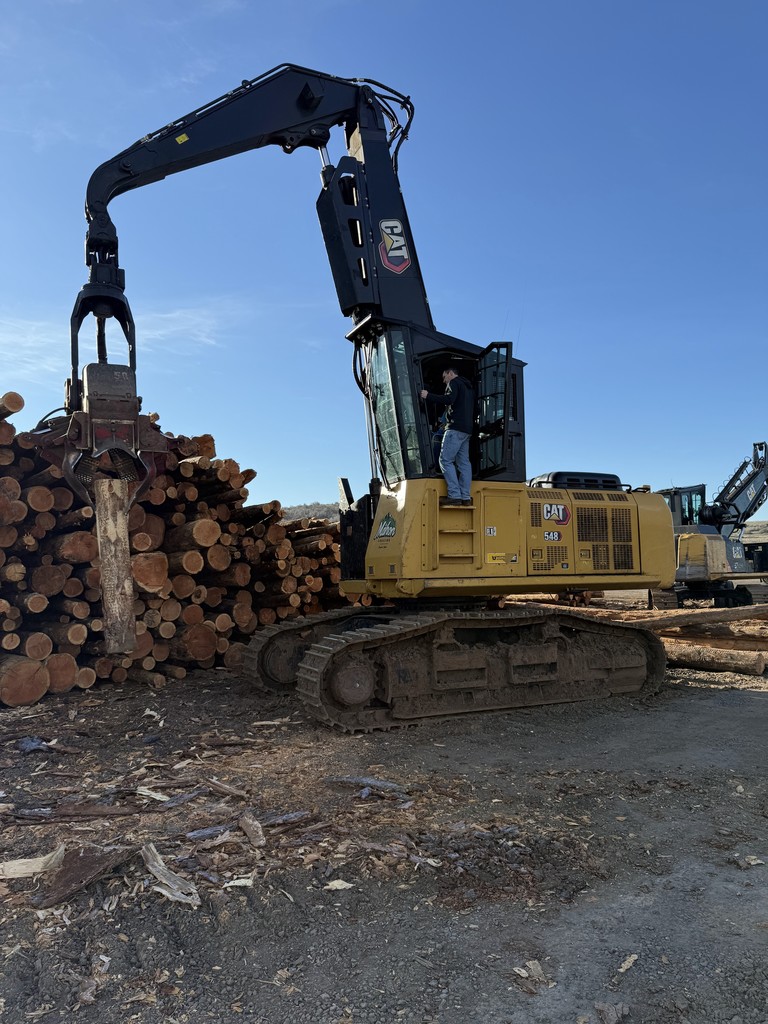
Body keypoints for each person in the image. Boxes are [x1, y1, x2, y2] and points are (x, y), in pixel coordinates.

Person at [420, 366, 474, 506]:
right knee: (464, 463)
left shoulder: (454, 383)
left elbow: (449, 399)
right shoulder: (469, 388)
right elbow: (476, 409)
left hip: (455, 429)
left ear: (450, 373)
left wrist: (428, 395)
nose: (444, 381)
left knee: (445, 460)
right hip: (466, 430)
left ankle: (455, 495)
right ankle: (466, 497)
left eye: (444, 377)